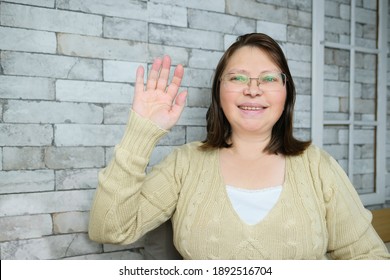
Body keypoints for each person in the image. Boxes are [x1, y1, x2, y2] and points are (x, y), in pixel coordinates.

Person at [88, 33, 390, 259]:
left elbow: (371, 259)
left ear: (286, 93)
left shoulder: (318, 166)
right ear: (219, 90)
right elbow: (110, 229)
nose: (253, 89)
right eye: (237, 77)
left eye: (269, 78)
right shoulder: (185, 163)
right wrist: (141, 131)